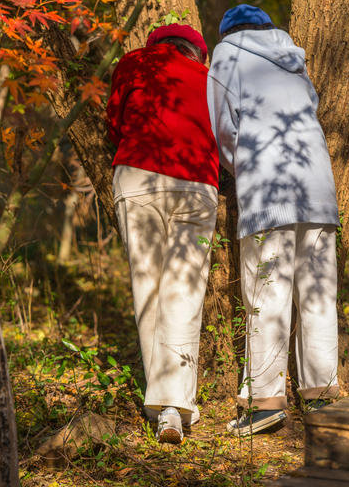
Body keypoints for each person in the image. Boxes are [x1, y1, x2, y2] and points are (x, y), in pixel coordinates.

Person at [206, 4, 341, 436]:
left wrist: (240, 168)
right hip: (318, 189)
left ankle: (265, 402)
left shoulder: (226, 54)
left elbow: (222, 127)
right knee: (318, 295)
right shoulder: (294, 60)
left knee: (268, 296)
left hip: (269, 190)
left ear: (228, 31)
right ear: (268, 29)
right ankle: (321, 395)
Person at [105, 23, 219, 443]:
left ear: (158, 45)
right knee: (184, 291)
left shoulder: (132, 62)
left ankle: (164, 408)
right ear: (197, 54)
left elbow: (114, 121)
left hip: (138, 174)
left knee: (147, 286)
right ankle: (173, 406)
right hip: (196, 182)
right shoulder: (212, 80)